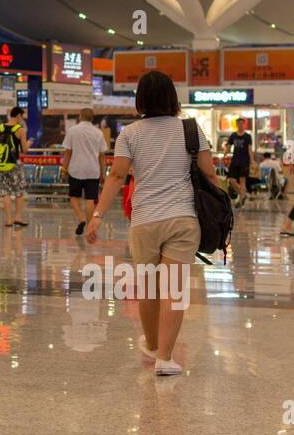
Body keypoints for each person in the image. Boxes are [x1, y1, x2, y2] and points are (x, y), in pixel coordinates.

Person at [86, 70, 219, 377]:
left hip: (144, 220)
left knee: (148, 286)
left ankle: (152, 343)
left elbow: (117, 177)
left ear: (141, 99)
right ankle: (166, 359)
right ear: (173, 97)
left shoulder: (130, 133)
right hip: (183, 219)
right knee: (173, 288)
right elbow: (209, 173)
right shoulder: (191, 129)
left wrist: (97, 216)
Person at [62, 108, 107, 235]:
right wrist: (103, 173)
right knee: (90, 199)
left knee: (74, 196)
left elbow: (67, 152)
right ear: (92, 118)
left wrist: (64, 169)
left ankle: (81, 219)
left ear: (80, 116)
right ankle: (89, 228)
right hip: (93, 170)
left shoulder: (72, 131)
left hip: (76, 169)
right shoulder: (98, 133)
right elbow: (102, 155)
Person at [0, 106, 29, 228]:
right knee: (19, 191)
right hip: (14, 164)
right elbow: (24, 150)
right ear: (18, 115)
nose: (22, 119)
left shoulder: (1, 127)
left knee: (5, 192)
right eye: (22, 116)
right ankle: (18, 218)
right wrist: (28, 143)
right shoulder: (20, 130)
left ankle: (8, 220)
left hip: (1, 164)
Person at [225, 117, 253, 209]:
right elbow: (228, 147)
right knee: (231, 180)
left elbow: (249, 149)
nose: (240, 125)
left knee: (242, 181)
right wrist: (225, 155)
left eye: (241, 123)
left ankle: (241, 200)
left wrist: (252, 160)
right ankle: (243, 194)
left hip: (244, 161)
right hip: (235, 160)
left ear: (243, 124)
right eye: (238, 124)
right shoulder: (233, 135)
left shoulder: (247, 136)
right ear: (236, 125)